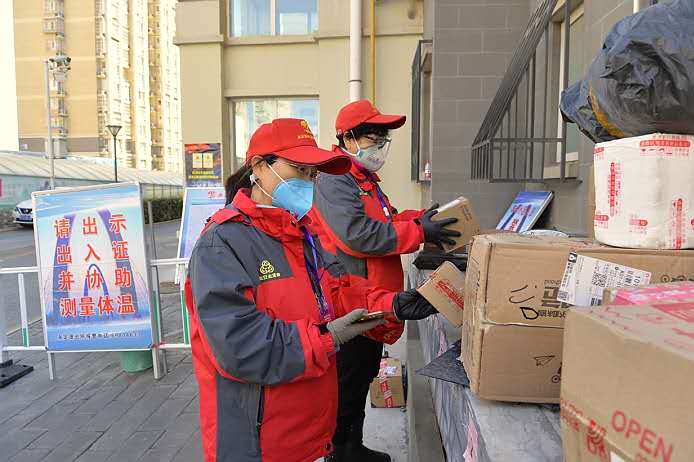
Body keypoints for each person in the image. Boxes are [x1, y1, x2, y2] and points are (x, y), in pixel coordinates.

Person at [185, 118, 440, 462]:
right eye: (299, 169)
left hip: (308, 432)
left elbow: (338, 292)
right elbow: (241, 347)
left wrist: (393, 304)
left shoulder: (300, 233)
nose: (308, 182)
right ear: (260, 167)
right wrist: (328, 337)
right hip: (259, 442)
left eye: (312, 173)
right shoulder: (222, 245)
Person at [312, 100, 460, 462]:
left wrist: (420, 219)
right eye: (371, 137)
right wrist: (418, 231)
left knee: (361, 378)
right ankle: (338, 453)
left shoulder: (363, 181)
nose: (378, 146)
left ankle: (352, 446)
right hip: (350, 300)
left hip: (372, 302)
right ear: (347, 138)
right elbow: (358, 235)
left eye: (382, 138)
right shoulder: (335, 179)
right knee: (347, 383)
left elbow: (388, 220)